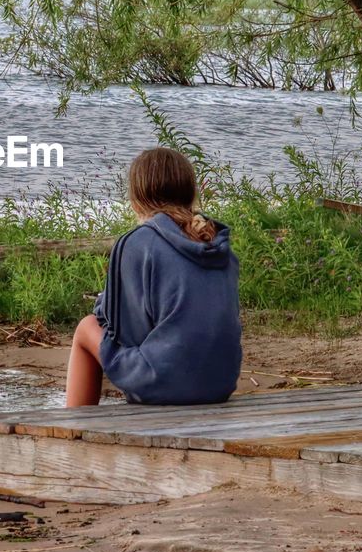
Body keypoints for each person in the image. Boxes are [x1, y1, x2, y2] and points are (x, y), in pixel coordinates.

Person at [65, 147, 242, 407]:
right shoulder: (217, 243)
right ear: (190, 194)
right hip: (221, 383)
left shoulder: (137, 242)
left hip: (166, 383)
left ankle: (74, 430)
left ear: (136, 199)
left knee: (86, 327)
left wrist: (104, 305)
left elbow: (126, 331)